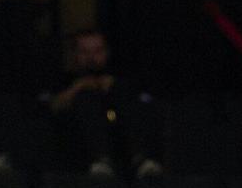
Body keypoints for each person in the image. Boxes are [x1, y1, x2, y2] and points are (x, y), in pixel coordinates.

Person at [47, 29, 161, 179]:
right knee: (86, 98)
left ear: (106, 52)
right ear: (75, 54)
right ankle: (101, 159)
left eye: (97, 51)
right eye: (85, 51)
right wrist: (78, 88)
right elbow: (52, 107)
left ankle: (141, 159)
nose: (91, 57)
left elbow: (146, 101)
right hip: (78, 145)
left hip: (120, 140)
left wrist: (115, 87)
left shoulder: (119, 76)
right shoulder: (64, 78)